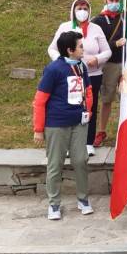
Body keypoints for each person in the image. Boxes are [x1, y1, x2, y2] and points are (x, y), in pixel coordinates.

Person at [33, 31, 94, 220]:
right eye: (80, 46)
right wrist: (38, 129)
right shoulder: (53, 69)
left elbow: (88, 91)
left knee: (80, 161)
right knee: (55, 164)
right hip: (57, 124)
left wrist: (88, 110)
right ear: (70, 50)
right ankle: (54, 204)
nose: (83, 48)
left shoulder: (81, 66)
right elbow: (40, 100)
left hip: (78, 122)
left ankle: (83, 199)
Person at [48, 0, 111, 156]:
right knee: (71, 107)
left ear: (89, 10)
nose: (82, 11)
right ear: (73, 10)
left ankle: (89, 142)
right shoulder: (65, 27)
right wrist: (62, 63)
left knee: (90, 107)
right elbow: (52, 48)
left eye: (85, 8)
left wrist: (97, 59)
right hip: (70, 76)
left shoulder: (96, 28)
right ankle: (70, 145)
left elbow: (107, 51)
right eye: (79, 8)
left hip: (92, 75)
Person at [92, 0, 126, 148]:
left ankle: (125, 129)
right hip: (110, 64)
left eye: (117, 0)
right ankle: (101, 130)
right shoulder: (98, 20)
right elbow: (96, 44)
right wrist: (115, 44)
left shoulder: (124, 17)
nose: (114, 3)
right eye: (111, 0)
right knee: (107, 98)